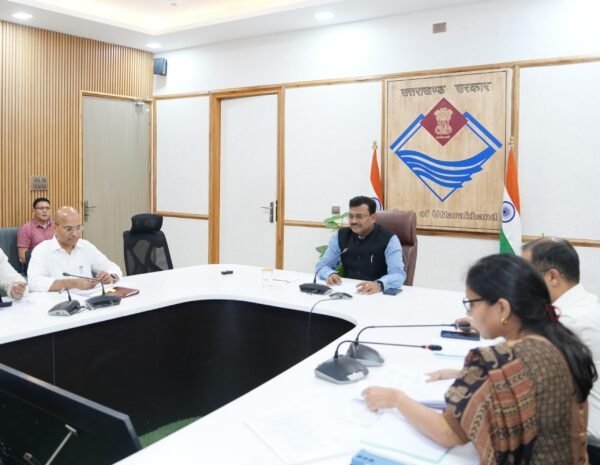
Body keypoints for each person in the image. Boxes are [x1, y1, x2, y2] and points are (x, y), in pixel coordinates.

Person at [362, 254, 596, 464]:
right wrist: (461, 374)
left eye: (472, 304)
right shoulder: (561, 340)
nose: (469, 313)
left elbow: (447, 432)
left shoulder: (495, 361)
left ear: (502, 308)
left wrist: (396, 399)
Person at [522, 237, 600, 463]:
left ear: (553, 277)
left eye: (527, 277)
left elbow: (517, 371)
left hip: (586, 446)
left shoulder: (569, 321)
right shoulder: (588, 303)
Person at [315, 196, 405, 294]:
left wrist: (379, 284)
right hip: (349, 291)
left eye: (359, 217)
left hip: (377, 294)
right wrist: (329, 274)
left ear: (373, 218)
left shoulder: (390, 239)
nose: (353, 221)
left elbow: (398, 274)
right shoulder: (340, 236)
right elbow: (322, 265)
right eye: (351, 216)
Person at [27, 206, 122, 292]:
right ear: (55, 228)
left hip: (89, 300)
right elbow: (34, 283)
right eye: (68, 229)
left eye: (78, 228)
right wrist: (71, 284)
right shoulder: (42, 250)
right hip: (58, 302)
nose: (75, 234)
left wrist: (110, 276)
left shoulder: (86, 246)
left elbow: (112, 267)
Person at [16, 197, 55, 265]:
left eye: (47, 208)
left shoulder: (56, 226)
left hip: (56, 263)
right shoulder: (26, 229)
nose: (44, 211)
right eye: (41, 208)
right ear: (33, 210)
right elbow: (22, 257)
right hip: (36, 265)